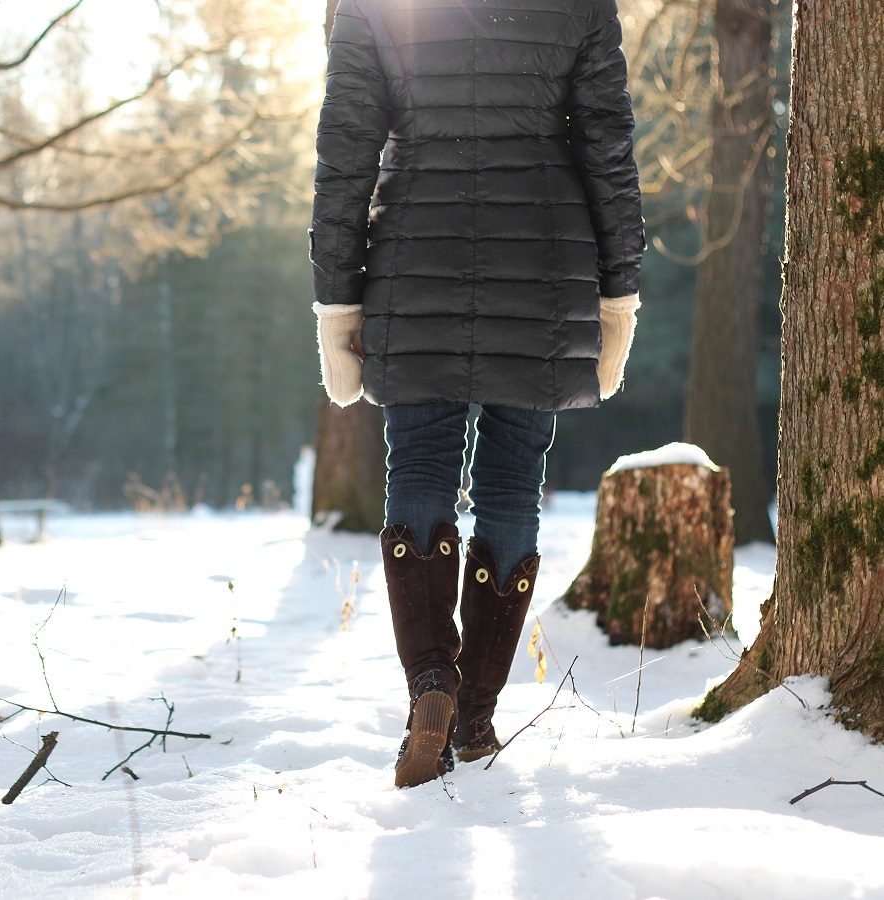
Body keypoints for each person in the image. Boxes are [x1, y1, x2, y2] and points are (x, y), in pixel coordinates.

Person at [310, 0, 644, 788]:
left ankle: (432, 684)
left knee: (419, 465)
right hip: (544, 261)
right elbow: (607, 149)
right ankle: (477, 716)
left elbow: (345, 152)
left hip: (412, 255)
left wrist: (337, 301)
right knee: (512, 478)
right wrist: (619, 293)